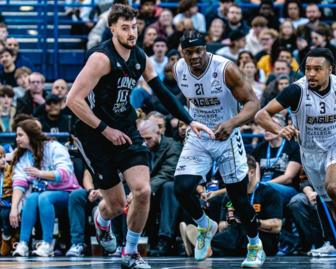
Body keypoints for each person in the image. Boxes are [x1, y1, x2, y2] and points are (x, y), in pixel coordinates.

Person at [65, 5, 212, 269]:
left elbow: (163, 92)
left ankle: (130, 252)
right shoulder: (101, 58)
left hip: (125, 126)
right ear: (112, 29)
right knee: (115, 204)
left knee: (143, 190)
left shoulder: (139, 57)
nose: (132, 33)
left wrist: (190, 120)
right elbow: (73, 100)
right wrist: (105, 130)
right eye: (125, 28)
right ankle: (101, 221)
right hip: (92, 132)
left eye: (134, 27)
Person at [255, 48, 336, 268]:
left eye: (317, 69)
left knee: (335, 188)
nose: (311, 73)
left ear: (330, 70)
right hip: (310, 153)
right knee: (332, 204)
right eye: (308, 68)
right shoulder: (296, 91)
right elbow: (261, 115)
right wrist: (279, 128)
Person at [171, 30, 264, 267]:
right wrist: (188, 120)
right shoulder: (178, 69)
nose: (194, 56)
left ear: (206, 49)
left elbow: (253, 103)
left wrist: (232, 123)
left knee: (239, 200)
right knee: (181, 188)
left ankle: (255, 245)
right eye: (189, 52)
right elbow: (191, 99)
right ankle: (205, 225)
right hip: (199, 135)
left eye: (198, 51)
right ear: (182, 53)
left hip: (227, 136)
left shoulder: (226, 69)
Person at [10, 120, 80, 257]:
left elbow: (65, 173)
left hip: (68, 193)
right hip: (45, 195)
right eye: (16, 135)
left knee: (44, 197)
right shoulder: (24, 156)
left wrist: (40, 174)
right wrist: (14, 207)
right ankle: (23, 244)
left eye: (20, 135)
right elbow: (19, 183)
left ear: (30, 135)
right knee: (31, 198)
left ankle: (47, 244)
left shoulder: (54, 147)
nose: (17, 139)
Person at [211, 155, 282, 257]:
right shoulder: (231, 194)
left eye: (239, 172)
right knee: (221, 238)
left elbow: (277, 226)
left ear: (252, 172)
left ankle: (201, 246)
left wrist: (252, 221)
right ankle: (203, 244)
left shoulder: (269, 193)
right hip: (236, 234)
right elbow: (221, 226)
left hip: (261, 236)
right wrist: (232, 220)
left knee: (221, 243)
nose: (235, 177)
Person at [138, 120, 182, 256]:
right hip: (151, 188)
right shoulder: (142, 147)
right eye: (142, 138)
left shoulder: (173, 146)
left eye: (148, 138)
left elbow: (167, 173)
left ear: (159, 133)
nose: (145, 142)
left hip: (166, 188)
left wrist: (145, 188)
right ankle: (123, 239)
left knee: (168, 187)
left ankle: (165, 239)